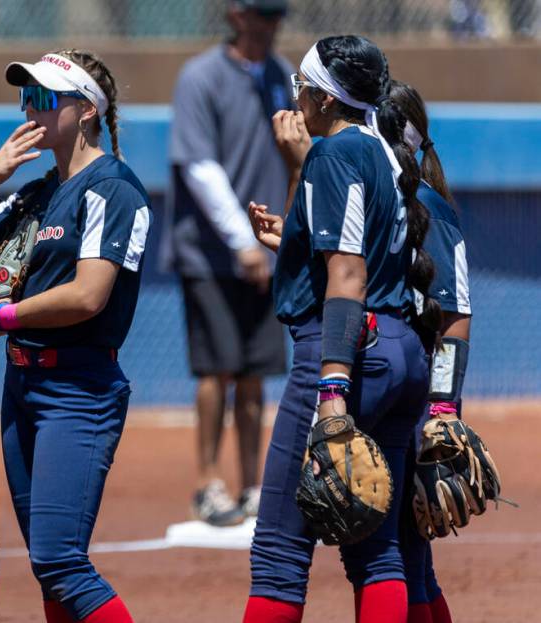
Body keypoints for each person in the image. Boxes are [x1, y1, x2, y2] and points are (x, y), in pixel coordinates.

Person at [0, 49, 151, 623]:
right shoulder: (36, 192)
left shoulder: (112, 188)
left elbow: (88, 296)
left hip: (78, 390)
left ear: (86, 110)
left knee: (60, 561)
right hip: (24, 387)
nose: (29, 109)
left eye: (43, 98)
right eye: (24, 97)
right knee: (48, 566)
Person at [240, 35, 439, 623]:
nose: (296, 98)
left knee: (278, 550)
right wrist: (293, 242)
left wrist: (331, 390)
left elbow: (348, 276)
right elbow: (362, 254)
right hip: (400, 348)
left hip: (349, 353)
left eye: (303, 87)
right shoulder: (385, 150)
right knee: (377, 553)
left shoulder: (331, 155)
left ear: (325, 100)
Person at [164, 0, 292, 525]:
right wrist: (244, 243)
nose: (271, 25)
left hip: (268, 251)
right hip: (211, 254)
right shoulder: (201, 77)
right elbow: (199, 166)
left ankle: (252, 487)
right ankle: (207, 484)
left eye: (276, 15)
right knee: (216, 370)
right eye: (262, 14)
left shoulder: (284, 77)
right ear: (236, 15)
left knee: (256, 374)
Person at [390, 79, 467, 623]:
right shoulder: (381, 196)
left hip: (418, 401)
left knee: (402, 553)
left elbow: (455, 316)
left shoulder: (429, 209)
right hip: (390, 388)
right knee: (412, 560)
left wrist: (442, 413)